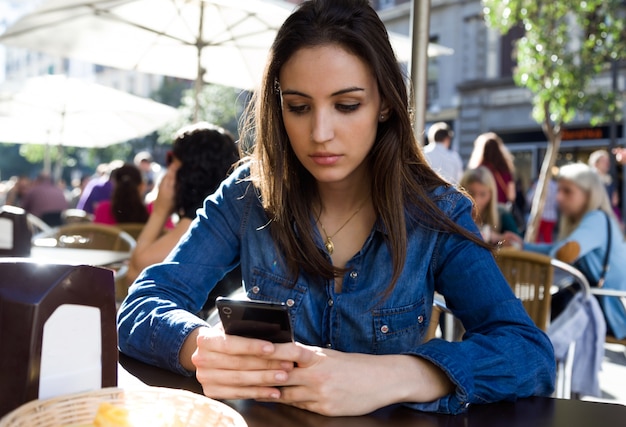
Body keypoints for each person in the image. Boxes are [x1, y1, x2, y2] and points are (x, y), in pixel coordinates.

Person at [117, 0, 554, 416]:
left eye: (347, 105)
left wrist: (399, 375)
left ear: (384, 103)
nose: (320, 132)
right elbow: (141, 304)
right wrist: (198, 344)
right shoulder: (247, 194)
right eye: (299, 107)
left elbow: (528, 353)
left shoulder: (434, 212)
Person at [510, 163, 626, 340]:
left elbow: (566, 252)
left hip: (612, 312)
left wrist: (525, 249)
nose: (559, 197)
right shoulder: (594, 219)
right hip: (601, 303)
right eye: (559, 190)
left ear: (588, 195)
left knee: (534, 317)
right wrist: (523, 246)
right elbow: (556, 249)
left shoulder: (596, 219)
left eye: (567, 191)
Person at [126, 122, 240, 285]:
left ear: (188, 169)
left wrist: (160, 211)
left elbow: (135, 274)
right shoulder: (230, 208)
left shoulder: (203, 218)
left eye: (172, 159)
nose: (169, 168)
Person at [459, 166, 520, 244]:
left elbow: (520, 243)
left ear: (491, 194)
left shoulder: (502, 214)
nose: (476, 200)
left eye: (483, 194)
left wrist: (498, 238)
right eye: (470, 193)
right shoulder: (452, 216)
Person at [467, 132, 516, 205]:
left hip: (484, 209)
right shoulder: (505, 169)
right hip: (501, 209)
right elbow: (511, 196)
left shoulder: (478, 169)